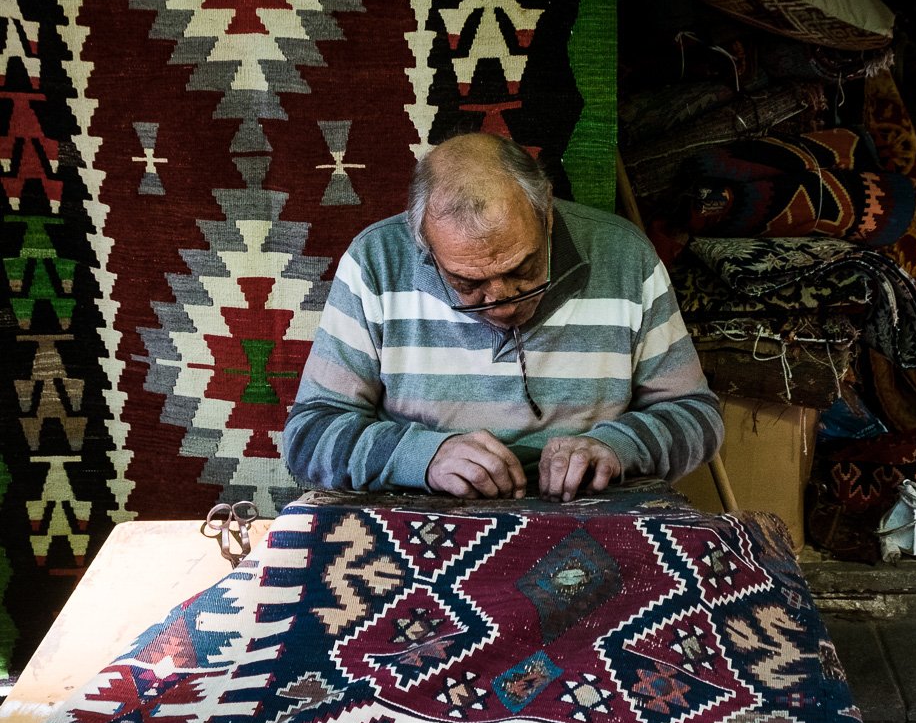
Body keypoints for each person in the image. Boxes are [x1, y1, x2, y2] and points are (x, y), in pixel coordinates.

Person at [283, 133, 722, 502]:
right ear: (423, 243)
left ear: (546, 211)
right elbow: (308, 435)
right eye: (467, 284)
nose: (503, 304)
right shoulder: (376, 262)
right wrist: (422, 457)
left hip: (589, 519)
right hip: (424, 522)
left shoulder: (626, 257)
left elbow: (696, 415)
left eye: (522, 270)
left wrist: (617, 446)